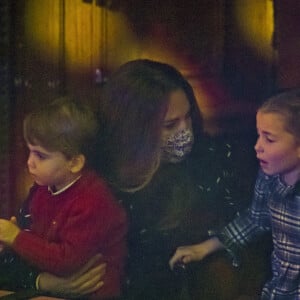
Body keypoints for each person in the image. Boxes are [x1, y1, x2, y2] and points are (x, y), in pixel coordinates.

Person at [4, 60, 264, 299]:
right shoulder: (84, 182)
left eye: (188, 119)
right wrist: (46, 283)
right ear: (134, 130)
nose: (185, 132)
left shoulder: (210, 166)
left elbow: (247, 240)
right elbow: (14, 260)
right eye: (170, 125)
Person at [169, 88, 300, 299]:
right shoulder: (269, 177)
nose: (257, 146)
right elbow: (256, 220)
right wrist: (205, 248)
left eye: (270, 139)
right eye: (259, 135)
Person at [0, 97, 128, 299]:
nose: (29, 163)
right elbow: (35, 234)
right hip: (53, 285)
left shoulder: (94, 201)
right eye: (29, 151)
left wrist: (16, 237)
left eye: (40, 156)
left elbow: (67, 261)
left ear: (75, 163)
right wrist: (13, 240)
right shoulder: (43, 187)